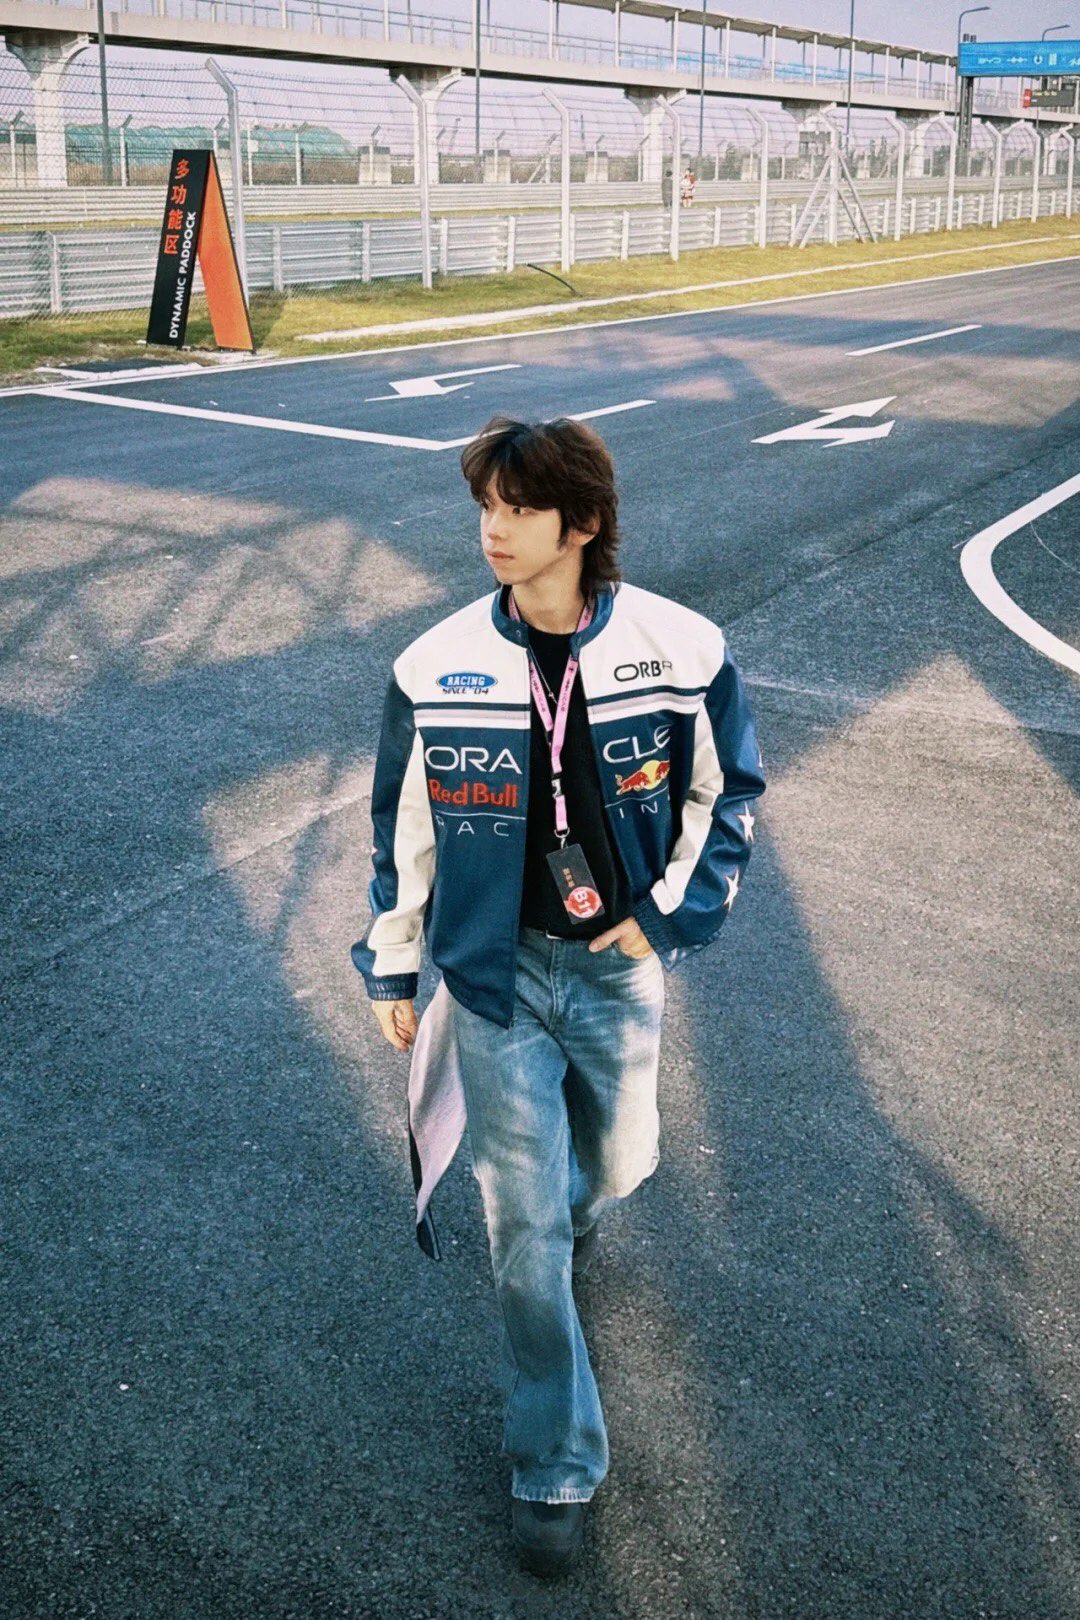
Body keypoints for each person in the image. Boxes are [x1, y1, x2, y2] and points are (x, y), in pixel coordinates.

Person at [352, 414, 766, 1577]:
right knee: (522, 1220)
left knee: (618, 1167)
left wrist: (670, 914)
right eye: (486, 507)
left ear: (581, 524)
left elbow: (728, 794)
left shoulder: (680, 647)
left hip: (617, 969)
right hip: (495, 977)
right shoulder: (433, 666)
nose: (493, 529)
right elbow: (402, 831)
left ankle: (571, 1223)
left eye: (520, 509)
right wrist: (393, 961)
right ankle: (555, 1460)